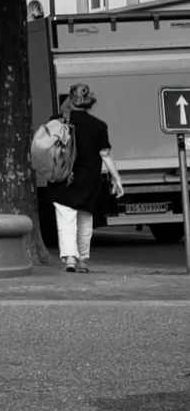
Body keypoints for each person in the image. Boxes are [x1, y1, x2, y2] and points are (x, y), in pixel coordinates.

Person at [48, 83, 123, 273]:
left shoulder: (58, 122)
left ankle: (70, 259)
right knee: (84, 221)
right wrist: (117, 178)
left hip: (63, 177)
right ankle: (82, 259)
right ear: (90, 102)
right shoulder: (99, 126)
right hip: (89, 181)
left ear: (70, 101)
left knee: (66, 221)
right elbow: (105, 154)